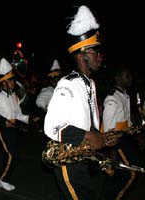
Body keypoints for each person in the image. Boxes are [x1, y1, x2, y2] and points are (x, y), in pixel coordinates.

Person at [43, 5, 106, 200]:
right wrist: (88, 135)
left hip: (82, 157)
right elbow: (52, 126)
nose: (100, 56)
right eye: (95, 51)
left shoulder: (90, 83)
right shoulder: (67, 84)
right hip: (67, 160)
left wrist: (100, 135)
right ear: (82, 55)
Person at [0, 57, 40, 191]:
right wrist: (4, 122)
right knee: (12, 155)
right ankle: (2, 179)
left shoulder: (14, 96)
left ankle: (3, 177)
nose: (13, 82)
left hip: (13, 128)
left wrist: (30, 119)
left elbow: (18, 114)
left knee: (11, 155)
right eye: (11, 80)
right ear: (4, 82)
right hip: (2, 129)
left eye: (13, 79)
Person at [101, 64, 140, 200]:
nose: (130, 78)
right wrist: (112, 152)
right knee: (130, 175)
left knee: (117, 178)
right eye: (126, 76)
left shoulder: (124, 95)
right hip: (118, 143)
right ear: (118, 78)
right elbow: (108, 129)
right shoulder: (113, 98)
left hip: (125, 140)